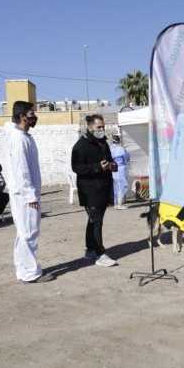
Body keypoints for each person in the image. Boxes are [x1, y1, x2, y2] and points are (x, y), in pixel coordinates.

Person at [5, 101, 54, 283]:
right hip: (25, 195)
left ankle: (23, 269)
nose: (35, 117)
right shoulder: (18, 140)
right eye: (31, 114)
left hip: (25, 194)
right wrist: (30, 195)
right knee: (29, 233)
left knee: (24, 232)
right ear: (22, 116)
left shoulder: (23, 137)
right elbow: (21, 171)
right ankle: (30, 273)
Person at [71, 114, 118, 267]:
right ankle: (100, 253)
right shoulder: (81, 145)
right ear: (90, 127)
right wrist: (97, 167)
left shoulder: (103, 143)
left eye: (103, 127)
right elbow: (76, 167)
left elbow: (109, 160)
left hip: (103, 188)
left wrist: (112, 165)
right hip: (90, 191)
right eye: (99, 127)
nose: (101, 130)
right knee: (96, 221)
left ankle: (90, 249)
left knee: (94, 221)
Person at [109, 135, 130, 210]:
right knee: (122, 185)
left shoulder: (110, 148)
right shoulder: (121, 149)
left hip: (113, 169)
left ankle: (116, 203)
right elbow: (127, 158)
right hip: (121, 168)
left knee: (116, 186)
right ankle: (120, 204)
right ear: (119, 140)